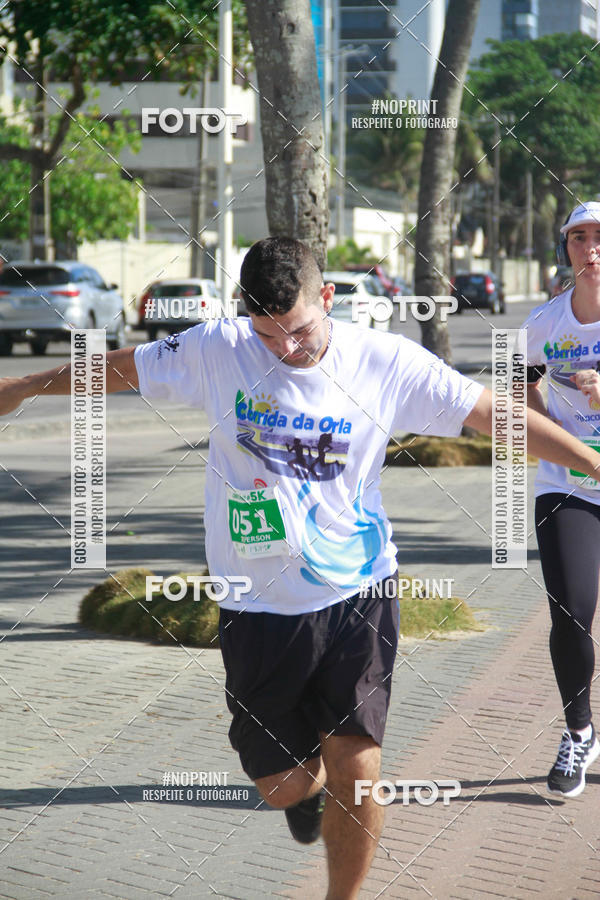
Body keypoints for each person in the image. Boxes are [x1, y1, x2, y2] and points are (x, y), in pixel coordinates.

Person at [2, 237, 600, 899]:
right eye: (270, 336)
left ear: (328, 297)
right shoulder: (218, 348)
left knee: (360, 765)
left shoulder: (385, 361)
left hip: (358, 593)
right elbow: (117, 369)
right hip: (256, 607)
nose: (287, 349)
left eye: (301, 330)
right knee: (285, 782)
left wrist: (594, 465)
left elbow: (494, 415)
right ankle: (304, 791)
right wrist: (24, 386)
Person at [524, 201, 600, 799]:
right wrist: (561, 437)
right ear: (566, 249)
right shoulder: (542, 324)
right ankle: (578, 730)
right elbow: (517, 400)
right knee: (572, 611)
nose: (591, 247)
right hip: (566, 485)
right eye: (579, 237)